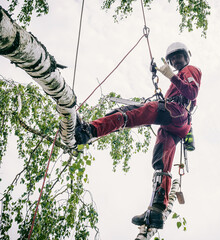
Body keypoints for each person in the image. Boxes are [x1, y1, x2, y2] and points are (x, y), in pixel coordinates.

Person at [74, 42, 201, 229]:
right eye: (172, 59)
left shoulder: (191, 69)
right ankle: (157, 210)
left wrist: (171, 76)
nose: (175, 61)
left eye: (178, 56)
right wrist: (161, 74)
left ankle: (89, 130)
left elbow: (191, 92)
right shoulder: (181, 74)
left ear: (186, 56)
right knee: (161, 163)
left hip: (175, 111)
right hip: (177, 124)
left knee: (130, 113)